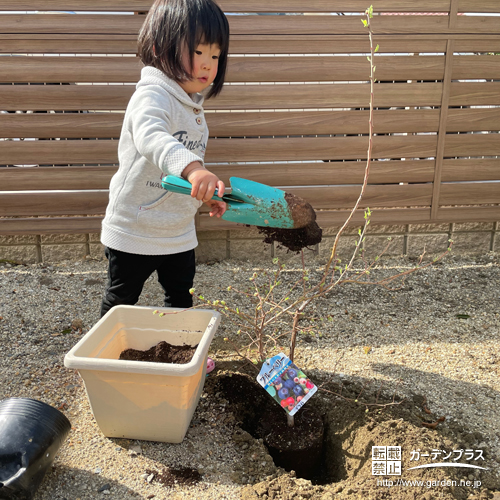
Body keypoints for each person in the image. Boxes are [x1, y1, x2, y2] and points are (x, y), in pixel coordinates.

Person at [100, 0, 229, 317]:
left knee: (182, 297)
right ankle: (100, 360)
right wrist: (195, 169)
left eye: (215, 55)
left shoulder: (192, 107)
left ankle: (181, 355)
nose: (208, 64)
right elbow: (152, 137)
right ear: (160, 47)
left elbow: (182, 177)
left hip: (178, 230)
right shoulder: (152, 95)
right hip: (136, 226)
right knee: (121, 299)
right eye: (198, 52)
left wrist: (204, 194)